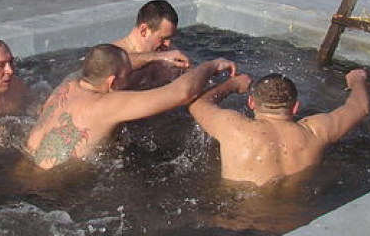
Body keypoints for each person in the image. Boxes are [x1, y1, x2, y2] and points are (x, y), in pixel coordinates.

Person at [26, 44, 236, 169]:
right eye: (127, 76)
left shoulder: (67, 85)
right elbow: (182, 93)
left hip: (25, 165)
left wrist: (157, 56)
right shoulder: (105, 104)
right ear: (112, 83)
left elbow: (104, 63)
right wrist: (213, 65)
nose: (130, 80)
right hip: (59, 187)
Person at [188, 70, 370, 187]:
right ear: (295, 107)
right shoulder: (316, 131)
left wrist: (232, 85)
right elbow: (360, 107)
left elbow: (197, 104)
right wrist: (357, 80)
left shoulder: (234, 128)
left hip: (237, 220)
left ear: (251, 102)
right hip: (295, 221)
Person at [112, 0, 191, 89]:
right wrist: (157, 57)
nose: (168, 44)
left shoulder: (166, 51)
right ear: (144, 31)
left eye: (170, 38)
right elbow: (112, 65)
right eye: (163, 38)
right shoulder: (109, 53)